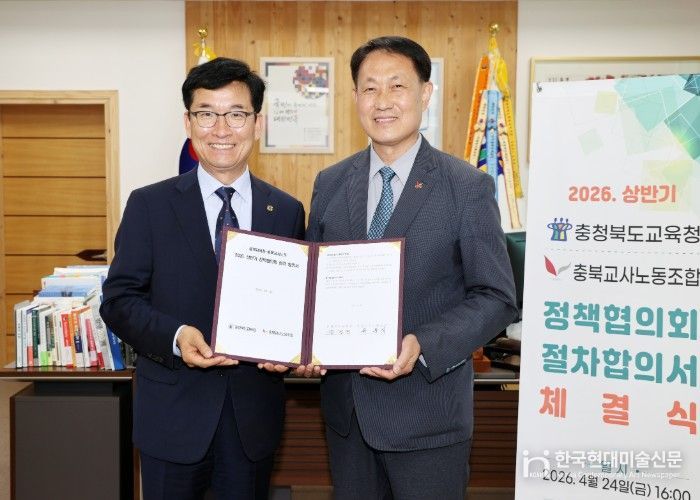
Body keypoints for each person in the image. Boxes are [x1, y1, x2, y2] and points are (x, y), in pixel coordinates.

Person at [302, 36, 518, 499]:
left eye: (397, 86)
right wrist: (297, 342)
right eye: (369, 88)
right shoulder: (330, 183)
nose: (382, 101)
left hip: (428, 417)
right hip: (347, 417)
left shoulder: (466, 186)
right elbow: (311, 283)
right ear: (355, 97)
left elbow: (497, 296)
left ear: (425, 93)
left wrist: (423, 344)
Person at [100, 57, 305, 500]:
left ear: (257, 123)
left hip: (252, 419)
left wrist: (291, 351)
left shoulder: (286, 210)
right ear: (188, 123)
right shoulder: (149, 205)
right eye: (207, 114)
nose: (222, 129)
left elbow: (295, 306)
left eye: (236, 114)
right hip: (172, 416)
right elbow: (118, 300)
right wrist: (176, 337)